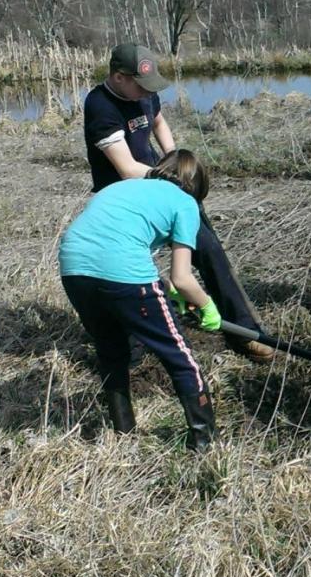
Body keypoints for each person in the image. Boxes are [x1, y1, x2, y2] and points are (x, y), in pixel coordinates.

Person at [84, 43, 274, 362]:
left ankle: (244, 330)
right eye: (140, 86)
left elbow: (157, 121)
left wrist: (175, 159)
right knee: (132, 275)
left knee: (209, 249)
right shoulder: (100, 106)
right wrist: (175, 179)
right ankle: (134, 347)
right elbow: (127, 168)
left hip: (163, 184)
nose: (147, 92)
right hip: (125, 202)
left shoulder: (144, 92)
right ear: (118, 77)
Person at [58, 150, 220, 449]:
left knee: (111, 351)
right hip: (120, 271)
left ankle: (124, 432)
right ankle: (205, 445)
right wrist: (208, 306)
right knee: (180, 358)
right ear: (196, 187)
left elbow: (123, 246)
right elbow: (182, 278)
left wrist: (166, 292)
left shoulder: (122, 186)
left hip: (73, 269)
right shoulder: (185, 202)